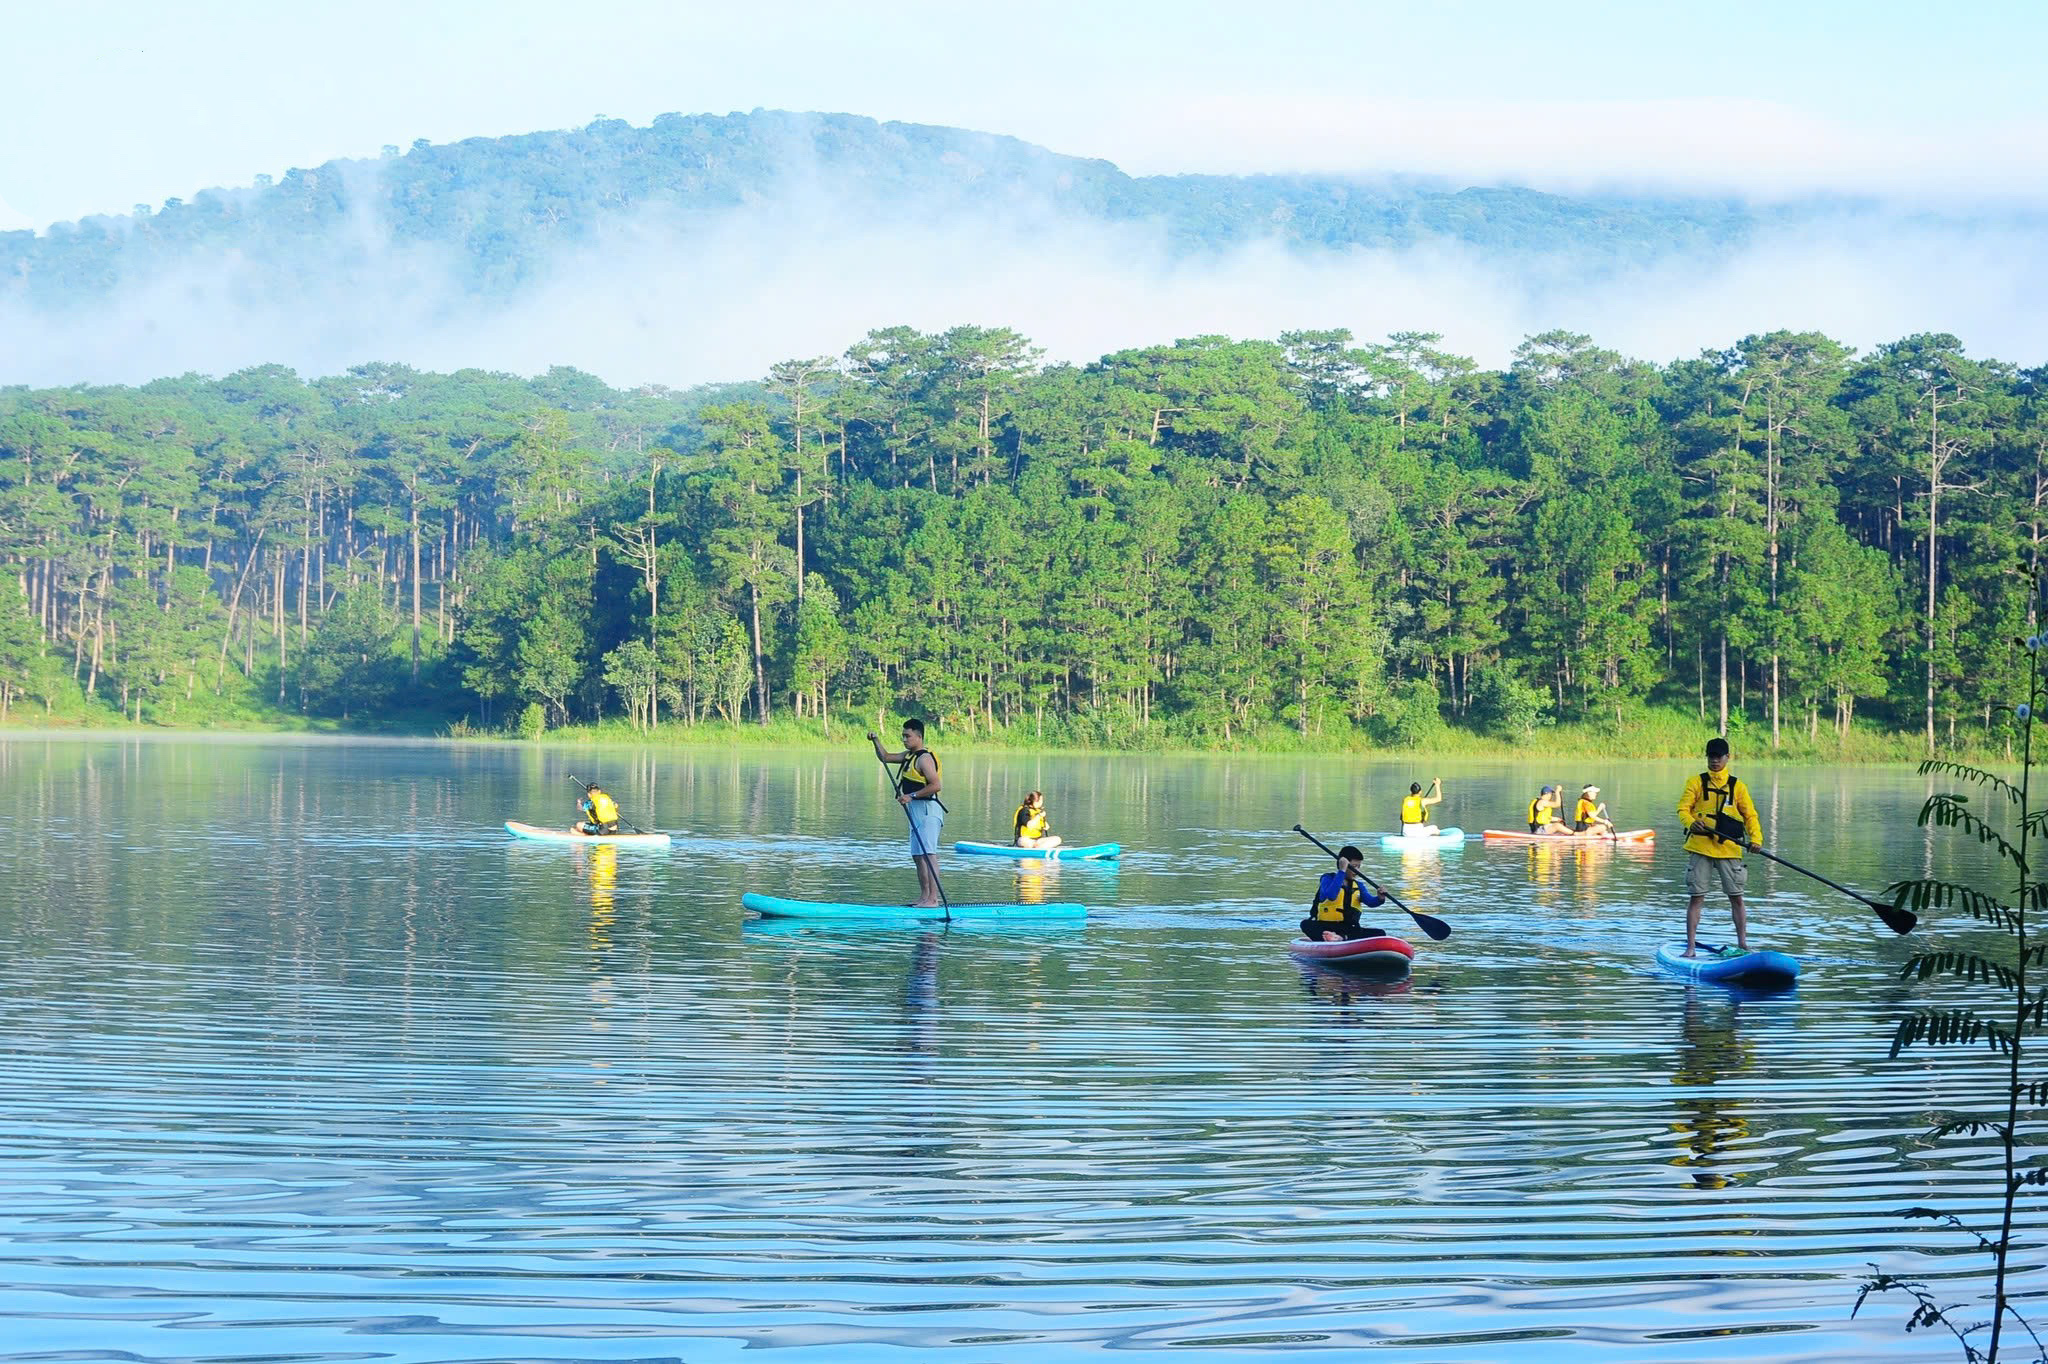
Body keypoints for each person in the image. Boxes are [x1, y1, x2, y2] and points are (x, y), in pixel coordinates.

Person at [1677, 736, 1764, 957]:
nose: (1714, 761)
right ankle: (1690, 947)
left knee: (1736, 897)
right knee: (1696, 897)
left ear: (1727, 758)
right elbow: (1683, 809)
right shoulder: (1695, 782)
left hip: (1729, 848)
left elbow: (1750, 816)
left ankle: (1743, 944)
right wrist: (1690, 822)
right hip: (1701, 847)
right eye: (1711, 756)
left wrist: (1756, 840)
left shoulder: (1738, 786)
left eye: (1719, 757)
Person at [868, 719, 945, 908]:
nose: (904, 739)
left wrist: (911, 795)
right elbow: (885, 757)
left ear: (919, 736)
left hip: (928, 809)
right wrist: (875, 740)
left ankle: (933, 899)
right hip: (915, 811)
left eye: (908, 736)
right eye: (903, 736)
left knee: (928, 854)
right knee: (918, 856)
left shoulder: (924, 758)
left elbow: (936, 785)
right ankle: (924, 897)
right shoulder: (909, 756)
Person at [1301, 844, 1389, 942]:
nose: (1357, 871)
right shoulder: (1327, 878)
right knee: (1306, 924)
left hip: (1348, 927)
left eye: (1359, 867)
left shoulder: (1358, 885)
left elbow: (1370, 902)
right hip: (1325, 925)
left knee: (1380, 933)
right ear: (1343, 865)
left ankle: (1340, 938)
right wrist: (1342, 871)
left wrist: (1380, 898)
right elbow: (1331, 895)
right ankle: (1332, 937)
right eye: (1354, 867)